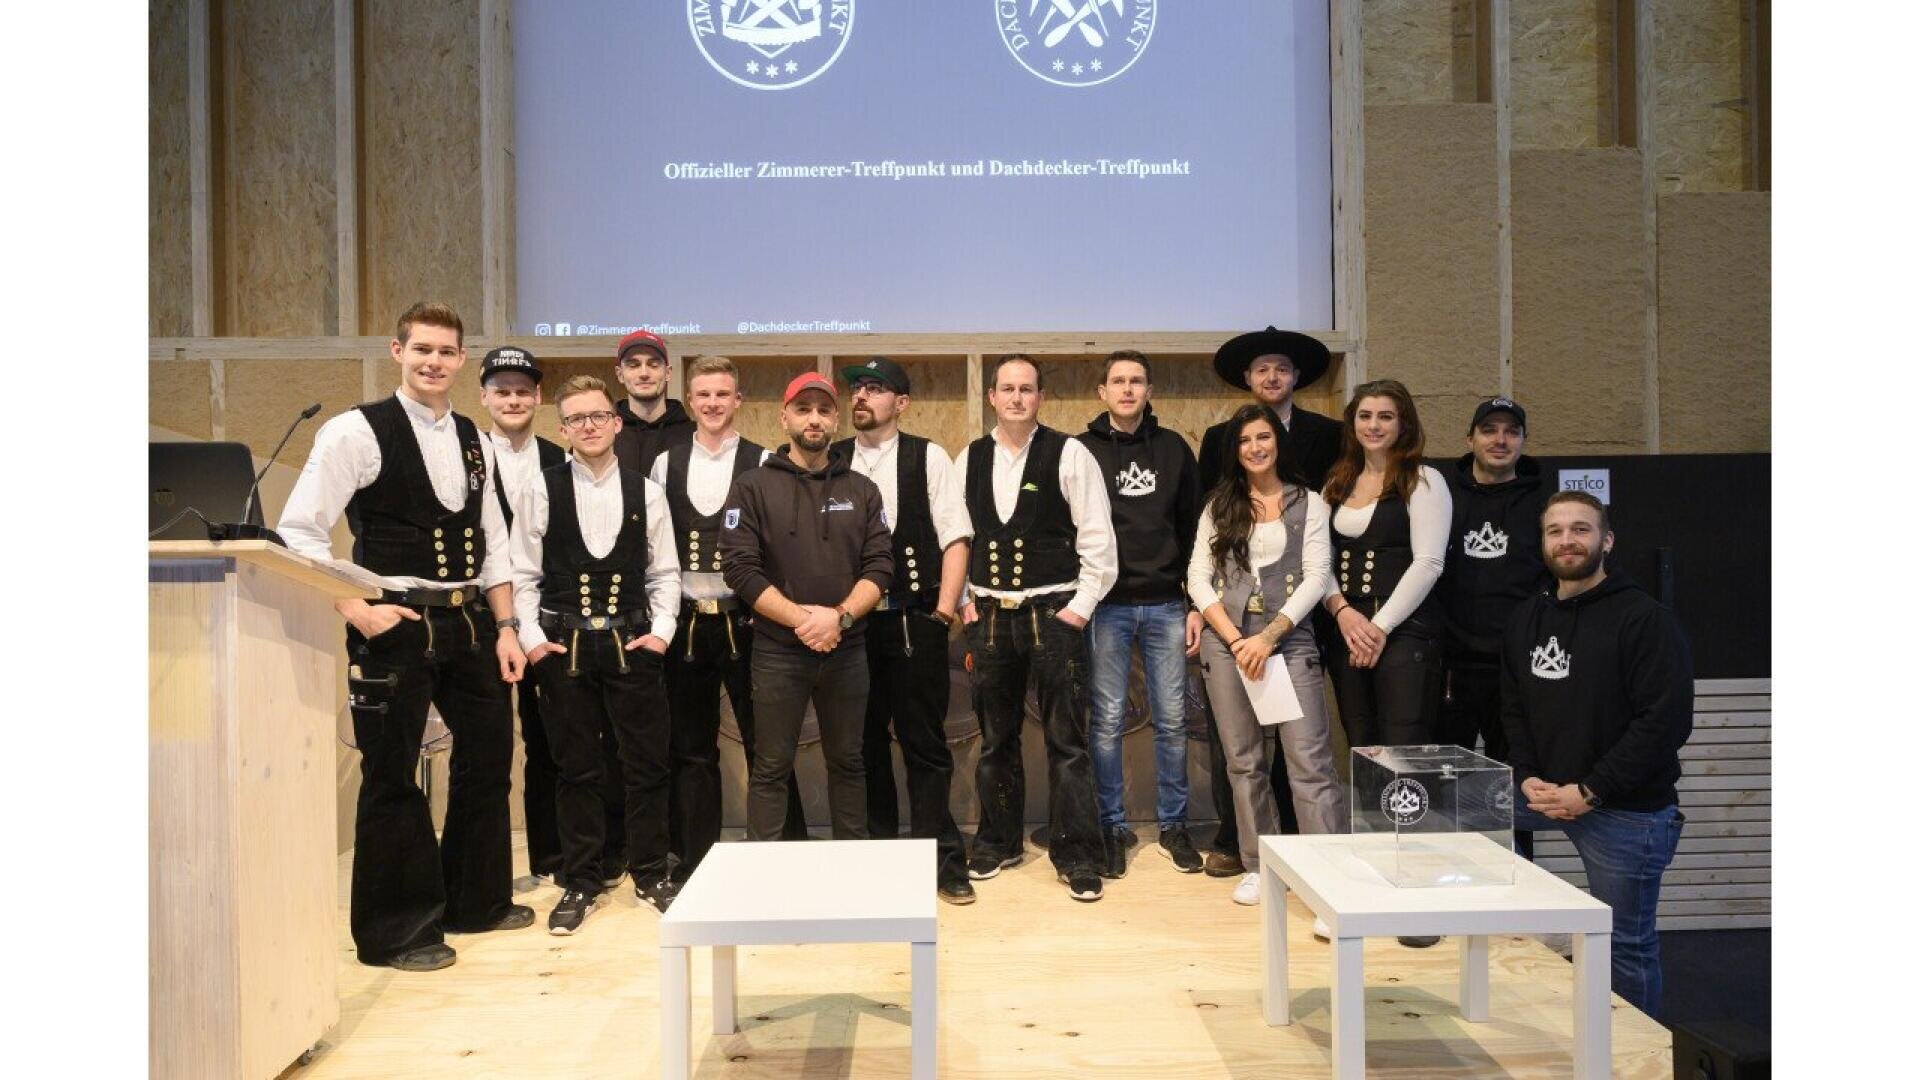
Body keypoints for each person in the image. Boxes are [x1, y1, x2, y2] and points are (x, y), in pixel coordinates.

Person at [278, 301, 531, 971]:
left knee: (486, 760)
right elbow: (298, 531)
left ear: (460, 359)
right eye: (422, 349)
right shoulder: (353, 432)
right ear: (397, 351)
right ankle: (399, 933)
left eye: (447, 352)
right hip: (394, 622)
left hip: (471, 621)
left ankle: (476, 902)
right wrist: (353, 605)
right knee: (392, 775)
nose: (434, 362)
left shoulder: (477, 438)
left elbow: (495, 541)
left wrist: (506, 625)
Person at [1502, 491, 1692, 1017]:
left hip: (1625, 809)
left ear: (1606, 540)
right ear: (1543, 542)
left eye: (1581, 529)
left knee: (1626, 948)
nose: (1567, 540)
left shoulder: (1645, 619)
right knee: (1463, 821)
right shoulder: (1525, 620)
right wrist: (1525, 776)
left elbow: (1665, 723)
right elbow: (1513, 708)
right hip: (1543, 794)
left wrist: (1591, 791)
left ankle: (1633, 1058)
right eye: (1556, 530)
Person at [505, 375, 682, 930]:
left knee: (646, 764)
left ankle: (651, 872)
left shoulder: (646, 490)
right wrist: (533, 643)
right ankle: (581, 881)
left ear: (615, 422)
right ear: (563, 429)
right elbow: (524, 575)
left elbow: (665, 572)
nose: (588, 426)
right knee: (576, 769)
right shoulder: (541, 488)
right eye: (576, 419)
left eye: (597, 416)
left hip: (634, 644)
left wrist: (662, 633)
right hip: (565, 647)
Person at [958, 355, 1116, 902]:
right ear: (992, 398)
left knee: (1067, 742)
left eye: (1027, 389)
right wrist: (961, 601)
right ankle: (999, 842)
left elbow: (1098, 542)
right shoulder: (970, 458)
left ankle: (1077, 854)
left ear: (1040, 397)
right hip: (989, 621)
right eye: (1007, 389)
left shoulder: (1069, 453)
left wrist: (1080, 608)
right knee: (995, 739)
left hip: (1055, 615)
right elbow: (955, 539)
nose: (1017, 398)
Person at [648, 355, 808, 874]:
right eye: (703, 395)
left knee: (768, 744)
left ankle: (788, 857)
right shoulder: (665, 463)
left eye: (723, 395)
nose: (713, 404)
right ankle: (696, 861)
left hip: (750, 621)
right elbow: (654, 549)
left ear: (738, 401)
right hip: (686, 622)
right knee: (690, 749)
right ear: (689, 402)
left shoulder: (765, 462)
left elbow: (782, 546)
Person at [1187, 405, 1346, 923]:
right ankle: (1260, 864)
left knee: (1310, 762)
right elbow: (1198, 579)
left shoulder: (1311, 503)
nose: (1255, 447)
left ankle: (1324, 879)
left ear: (1277, 442)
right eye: (1245, 440)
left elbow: (1319, 575)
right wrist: (1237, 641)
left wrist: (1272, 635)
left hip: (1289, 642)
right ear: (1234, 450)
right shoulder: (1219, 504)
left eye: (1263, 437)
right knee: (1243, 761)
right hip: (1227, 643)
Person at [720, 372, 892, 842]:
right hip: (778, 652)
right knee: (771, 766)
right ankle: (765, 875)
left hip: (847, 648)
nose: (813, 419)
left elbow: (879, 567)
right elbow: (741, 571)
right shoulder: (752, 487)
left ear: (835, 418)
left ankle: (851, 867)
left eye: (822, 410)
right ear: (784, 416)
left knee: (849, 762)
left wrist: (838, 618)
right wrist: (805, 620)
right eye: (803, 409)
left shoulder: (862, 489)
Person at [834, 357, 975, 904]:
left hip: (915, 622)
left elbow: (955, 537)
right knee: (863, 746)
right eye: (859, 389)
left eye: (876, 388)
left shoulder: (928, 455)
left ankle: (941, 859)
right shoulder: (834, 458)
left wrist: (942, 614)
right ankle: (880, 859)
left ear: (903, 402)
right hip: (851, 627)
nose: (862, 397)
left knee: (925, 745)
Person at [1320, 378, 1452, 948]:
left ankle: (1418, 893)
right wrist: (1344, 612)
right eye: (1365, 415)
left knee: (1406, 753)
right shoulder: (1337, 483)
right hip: (1347, 630)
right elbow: (1316, 559)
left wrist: (1379, 625)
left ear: (1404, 424)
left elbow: (1428, 563)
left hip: (1404, 635)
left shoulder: (1423, 480)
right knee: (1365, 747)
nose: (1374, 425)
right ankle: (1375, 878)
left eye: (1386, 416)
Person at [1077, 350, 1205, 877]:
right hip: (1105, 607)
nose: (1127, 389)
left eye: (1136, 381)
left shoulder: (1174, 449)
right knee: (1106, 721)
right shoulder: (1079, 452)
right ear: (1101, 391)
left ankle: (1174, 825)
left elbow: (1198, 531)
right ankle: (1111, 826)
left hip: (1166, 604)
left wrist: (1197, 603)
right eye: (1117, 381)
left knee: (1172, 720)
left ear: (1149, 389)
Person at [477, 347, 570, 891]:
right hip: (484, 618)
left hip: (541, 619)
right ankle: (488, 874)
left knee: (549, 743)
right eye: (502, 390)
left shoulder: (560, 460)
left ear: (537, 398)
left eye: (522, 391)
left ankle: (550, 856)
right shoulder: (466, 455)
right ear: (485, 396)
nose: (513, 399)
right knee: (490, 747)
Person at [1439, 397, 1548, 858]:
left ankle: (1519, 888)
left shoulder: (1545, 502)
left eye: (1511, 431)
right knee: (1446, 781)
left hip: (1516, 667)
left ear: (1522, 441)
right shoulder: (1442, 496)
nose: (1500, 440)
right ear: (1471, 439)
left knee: (1515, 784)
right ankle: (1441, 878)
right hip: (1452, 665)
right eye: (1489, 430)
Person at [611, 329, 694, 475]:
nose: (644, 373)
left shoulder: (695, 436)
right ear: (620, 374)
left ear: (667, 373)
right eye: (633, 365)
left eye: (653, 365)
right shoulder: (603, 435)